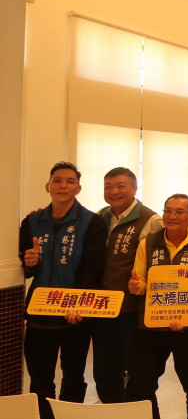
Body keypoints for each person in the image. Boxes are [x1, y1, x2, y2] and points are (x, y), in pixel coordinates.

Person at [20, 162, 107, 419]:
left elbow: (93, 269)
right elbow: (26, 267)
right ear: (47, 186)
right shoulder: (31, 222)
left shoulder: (92, 222)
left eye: (70, 181)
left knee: (74, 376)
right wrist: (30, 262)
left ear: (78, 188)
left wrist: (78, 304)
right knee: (40, 378)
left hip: (74, 315)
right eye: (57, 180)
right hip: (39, 311)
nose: (63, 186)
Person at [126, 193, 188, 419]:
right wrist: (137, 286)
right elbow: (142, 282)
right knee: (140, 383)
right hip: (152, 326)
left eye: (179, 212)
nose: (172, 216)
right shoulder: (148, 243)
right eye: (168, 211)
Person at [93, 167, 163, 404]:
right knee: (104, 371)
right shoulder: (100, 216)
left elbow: (161, 261)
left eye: (120, 186)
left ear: (134, 189)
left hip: (133, 309)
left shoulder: (151, 220)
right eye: (108, 187)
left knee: (137, 371)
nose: (114, 191)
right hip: (102, 308)